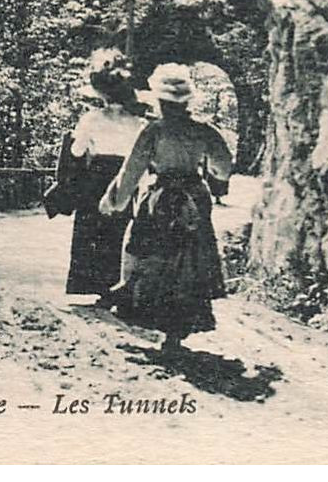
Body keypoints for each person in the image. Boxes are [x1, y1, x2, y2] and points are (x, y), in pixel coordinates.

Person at [100, 63, 233, 353]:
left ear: (160, 101)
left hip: (161, 197)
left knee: (140, 246)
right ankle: (178, 328)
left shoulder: (154, 131)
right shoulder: (204, 130)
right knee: (192, 259)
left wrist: (115, 200)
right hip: (194, 199)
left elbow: (132, 169)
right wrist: (207, 165)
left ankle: (128, 288)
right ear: (188, 101)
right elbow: (223, 167)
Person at [47, 49, 146, 305]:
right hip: (125, 177)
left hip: (97, 177)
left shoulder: (92, 119)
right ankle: (117, 285)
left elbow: (76, 150)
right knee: (120, 229)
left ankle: (97, 285)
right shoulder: (137, 122)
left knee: (93, 231)